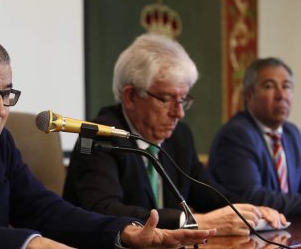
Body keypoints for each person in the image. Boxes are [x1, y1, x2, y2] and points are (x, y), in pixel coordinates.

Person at [0, 33, 217, 249]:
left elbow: (44, 210)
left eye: (7, 95)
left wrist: (123, 232)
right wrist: (31, 244)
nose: (1, 110)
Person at [63, 32, 287, 236]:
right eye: (166, 99)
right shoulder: (95, 137)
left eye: (183, 100)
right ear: (131, 97)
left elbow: (209, 192)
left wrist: (251, 210)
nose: (178, 113)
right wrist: (192, 221)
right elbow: (106, 211)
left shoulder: (179, 136)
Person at [208, 57, 301, 216]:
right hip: (246, 236)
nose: (281, 95)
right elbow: (252, 198)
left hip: (288, 231)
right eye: (269, 86)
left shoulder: (291, 133)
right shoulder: (236, 135)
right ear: (249, 96)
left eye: (286, 86)